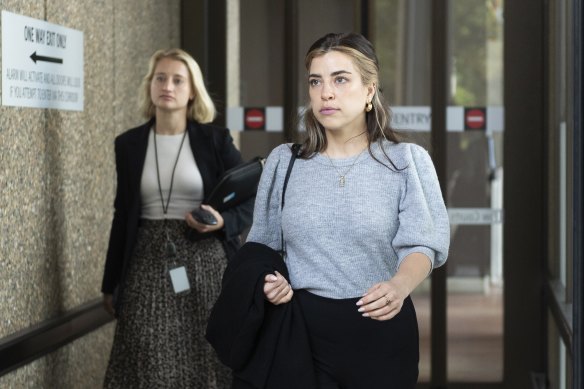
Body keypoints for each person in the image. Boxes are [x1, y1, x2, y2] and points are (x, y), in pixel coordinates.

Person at [245, 32, 450, 388]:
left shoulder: (405, 162)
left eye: (340, 79)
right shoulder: (284, 162)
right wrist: (269, 281)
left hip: (381, 333)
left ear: (370, 89)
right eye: (316, 81)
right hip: (299, 333)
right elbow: (261, 248)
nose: (326, 93)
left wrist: (400, 285)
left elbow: (423, 243)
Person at [101, 48, 253, 388]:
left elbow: (251, 194)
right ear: (150, 86)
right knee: (146, 351)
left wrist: (223, 221)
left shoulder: (214, 140)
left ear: (191, 91)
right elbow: (122, 213)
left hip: (204, 258)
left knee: (205, 354)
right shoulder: (128, 144)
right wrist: (110, 282)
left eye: (177, 79)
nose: (167, 85)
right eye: (160, 77)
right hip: (146, 258)